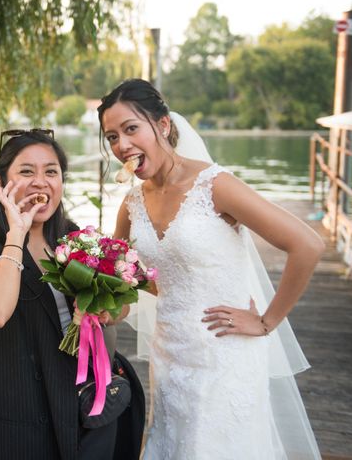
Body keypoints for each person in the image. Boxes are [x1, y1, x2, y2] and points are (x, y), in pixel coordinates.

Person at [97, 78, 324, 459]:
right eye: (112, 137)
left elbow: (307, 245)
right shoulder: (131, 204)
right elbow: (126, 286)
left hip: (224, 355)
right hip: (170, 357)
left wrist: (267, 321)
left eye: (131, 129)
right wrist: (102, 304)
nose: (122, 146)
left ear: (164, 125)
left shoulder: (214, 185)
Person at [0, 130, 145, 460]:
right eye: (26, 171)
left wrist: (105, 310)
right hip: (24, 416)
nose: (40, 182)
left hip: (88, 404)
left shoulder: (72, 235)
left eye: (51, 171)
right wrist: (16, 232)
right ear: (2, 183)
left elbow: (118, 309)